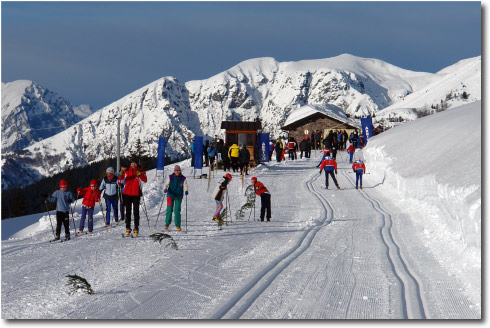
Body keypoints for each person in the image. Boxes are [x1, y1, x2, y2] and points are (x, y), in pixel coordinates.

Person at [118, 159, 147, 237]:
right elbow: (120, 182)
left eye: (134, 164)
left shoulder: (141, 171)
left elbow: (145, 180)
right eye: (132, 164)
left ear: (137, 164)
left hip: (136, 194)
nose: (133, 165)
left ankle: (136, 228)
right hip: (127, 194)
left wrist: (140, 174)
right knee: (128, 211)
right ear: (130, 165)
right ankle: (128, 228)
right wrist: (121, 174)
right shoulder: (127, 171)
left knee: (136, 212)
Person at [162, 165, 188, 232]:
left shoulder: (183, 178)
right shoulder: (170, 177)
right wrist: (165, 188)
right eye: (176, 170)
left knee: (177, 211)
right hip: (170, 195)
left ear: (180, 171)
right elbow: (166, 184)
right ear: (174, 171)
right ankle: (167, 223)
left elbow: (185, 185)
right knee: (169, 210)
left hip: (178, 196)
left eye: (178, 170)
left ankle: (178, 225)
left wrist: (186, 190)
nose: (177, 172)